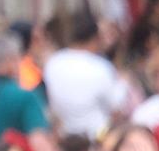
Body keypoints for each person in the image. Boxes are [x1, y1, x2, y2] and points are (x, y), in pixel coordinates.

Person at [42, 13, 129, 142]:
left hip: (64, 136)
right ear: (95, 39)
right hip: (98, 136)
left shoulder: (52, 62)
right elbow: (116, 107)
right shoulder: (101, 67)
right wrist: (124, 83)